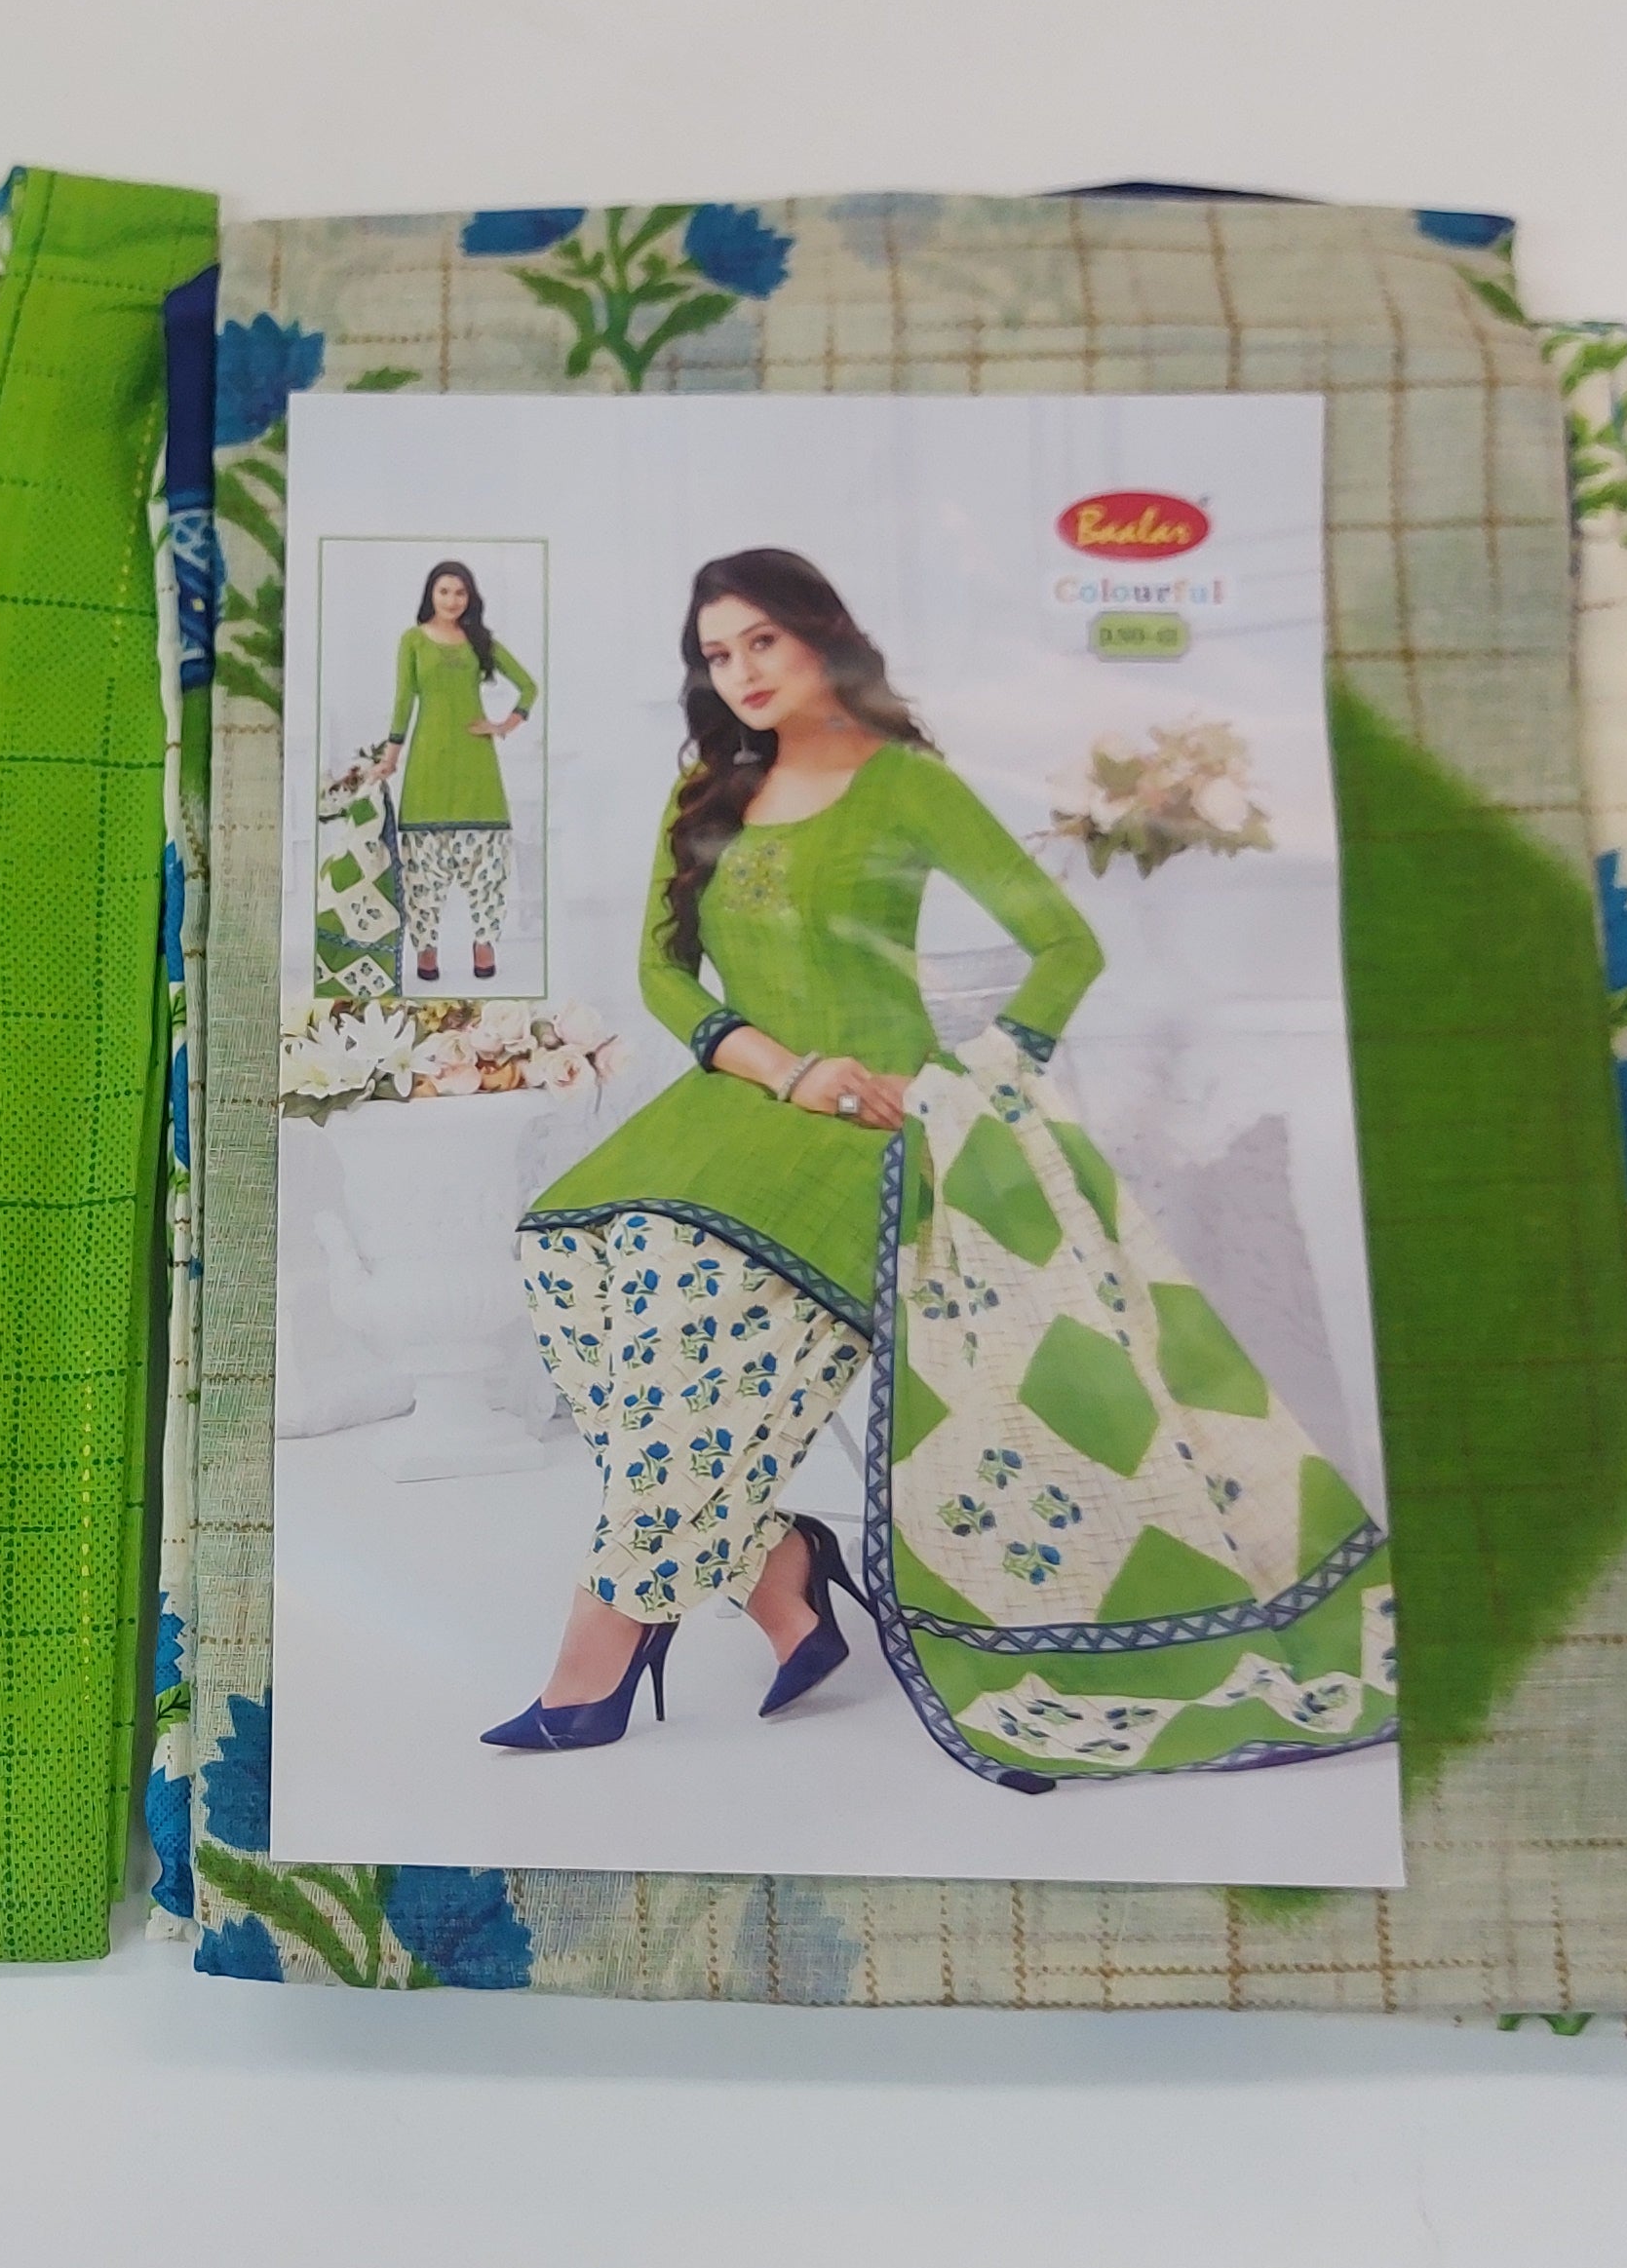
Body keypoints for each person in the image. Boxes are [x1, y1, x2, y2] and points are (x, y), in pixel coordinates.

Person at [484, 550, 1099, 1753]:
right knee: (563, 1257)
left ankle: (598, 1647)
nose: (741, 670)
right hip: (743, 1093)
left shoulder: (905, 784)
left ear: (823, 632)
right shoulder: (708, 791)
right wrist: (775, 1065)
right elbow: (663, 971)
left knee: (673, 1281)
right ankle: (777, 1562)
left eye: (761, 639)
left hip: (866, 1121)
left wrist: (965, 1083)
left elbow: (1063, 945)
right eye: (717, 653)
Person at [382, 561, 537, 985]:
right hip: (427, 764)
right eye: (444, 591)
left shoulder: (480, 641)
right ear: (431, 594)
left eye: (460, 593)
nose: (452, 600)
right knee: (422, 868)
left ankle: (484, 945)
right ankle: (426, 950)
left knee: (487, 862)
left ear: (470, 598)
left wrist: (504, 726)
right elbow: (403, 701)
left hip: (476, 767)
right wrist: (390, 758)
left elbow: (529, 686)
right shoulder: (413, 640)